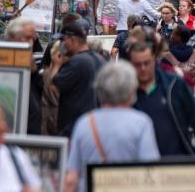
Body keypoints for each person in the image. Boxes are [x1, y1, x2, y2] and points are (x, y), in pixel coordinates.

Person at [63, 61, 160, 192]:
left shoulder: (84, 123)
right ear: (131, 90)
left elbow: (71, 179)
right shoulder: (141, 123)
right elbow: (151, 173)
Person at [129, 41, 195, 156]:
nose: (143, 68)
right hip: (141, 164)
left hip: (175, 160)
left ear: (154, 60)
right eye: (138, 65)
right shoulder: (127, 90)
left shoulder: (174, 84)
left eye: (146, 63)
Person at [54, 22, 107, 137]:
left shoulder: (77, 62)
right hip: (96, 126)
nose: (62, 44)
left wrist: (56, 65)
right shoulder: (100, 60)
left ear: (72, 40)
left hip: (74, 128)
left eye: (64, 40)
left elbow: (54, 87)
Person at [163, 24, 195, 88]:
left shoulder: (165, 57)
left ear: (176, 37)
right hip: (192, 94)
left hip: (172, 96)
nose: (171, 35)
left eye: (173, 33)